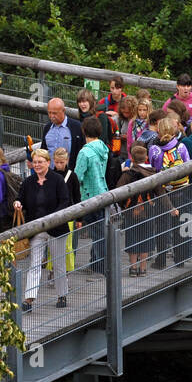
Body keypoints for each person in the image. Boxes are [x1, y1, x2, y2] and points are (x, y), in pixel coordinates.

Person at [14, 149, 71, 310]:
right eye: (35, 162)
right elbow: (20, 198)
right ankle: (29, 299)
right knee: (35, 263)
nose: (37, 165)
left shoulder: (58, 180)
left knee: (58, 263)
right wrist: (18, 204)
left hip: (56, 228)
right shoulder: (28, 182)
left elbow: (65, 201)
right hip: (36, 228)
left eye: (41, 162)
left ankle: (62, 295)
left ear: (48, 162)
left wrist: (52, 218)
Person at [118, 144, 173, 276]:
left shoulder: (128, 174)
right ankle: (143, 268)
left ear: (132, 159)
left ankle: (133, 268)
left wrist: (123, 207)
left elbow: (118, 191)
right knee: (146, 238)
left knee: (132, 237)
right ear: (146, 158)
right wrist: (171, 208)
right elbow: (161, 193)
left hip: (131, 211)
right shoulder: (152, 174)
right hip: (148, 210)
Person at [148, 117, 192, 268]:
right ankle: (180, 259)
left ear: (158, 131)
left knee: (161, 226)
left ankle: (161, 260)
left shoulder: (154, 149)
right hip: (182, 190)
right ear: (174, 131)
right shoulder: (181, 146)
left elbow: (153, 168)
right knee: (181, 224)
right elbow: (188, 165)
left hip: (162, 193)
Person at [74, 116, 111, 272]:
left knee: (97, 234)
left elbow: (77, 176)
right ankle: (95, 262)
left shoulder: (85, 152)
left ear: (84, 131)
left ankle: (101, 266)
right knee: (100, 231)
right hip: (103, 192)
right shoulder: (103, 148)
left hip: (89, 196)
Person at [47, 147, 81, 275]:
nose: (59, 165)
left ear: (66, 161)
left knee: (67, 246)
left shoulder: (72, 176)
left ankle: (66, 271)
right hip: (53, 214)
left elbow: (77, 197)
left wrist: (79, 218)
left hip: (68, 215)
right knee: (52, 245)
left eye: (62, 162)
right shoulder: (49, 175)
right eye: (57, 162)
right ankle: (52, 270)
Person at [39, 97, 85, 172]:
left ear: (63, 111)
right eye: (49, 113)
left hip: (69, 174)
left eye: (54, 113)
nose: (51, 116)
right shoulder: (47, 128)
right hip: (50, 173)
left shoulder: (76, 127)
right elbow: (43, 151)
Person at [77, 88, 119, 156]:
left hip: (99, 155)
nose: (82, 104)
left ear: (90, 101)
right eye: (80, 102)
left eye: (84, 101)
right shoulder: (83, 117)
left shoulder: (101, 116)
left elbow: (102, 140)